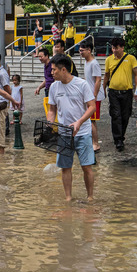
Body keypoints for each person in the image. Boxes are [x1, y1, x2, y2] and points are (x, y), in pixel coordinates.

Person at [46, 54, 97, 201]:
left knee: (86, 166)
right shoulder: (54, 87)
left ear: (63, 70)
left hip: (83, 132)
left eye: (54, 69)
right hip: (63, 133)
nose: (51, 72)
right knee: (65, 167)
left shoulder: (82, 84)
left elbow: (92, 107)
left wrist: (79, 122)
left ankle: (90, 197)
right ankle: (68, 198)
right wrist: (50, 122)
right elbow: (52, 110)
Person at [103, 37, 137, 152]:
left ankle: (121, 136)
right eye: (113, 48)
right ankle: (118, 140)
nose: (114, 50)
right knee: (116, 115)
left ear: (122, 48)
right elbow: (107, 75)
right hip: (113, 92)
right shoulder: (109, 60)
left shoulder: (131, 58)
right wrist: (103, 88)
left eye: (117, 48)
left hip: (127, 92)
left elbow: (136, 74)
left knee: (125, 115)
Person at [79, 40, 104, 154]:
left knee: (93, 120)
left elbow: (98, 80)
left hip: (94, 96)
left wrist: (94, 95)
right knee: (89, 120)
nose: (80, 53)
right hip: (89, 95)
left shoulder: (94, 63)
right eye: (79, 50)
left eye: (82, 50)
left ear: (89, 50)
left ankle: (96, 144)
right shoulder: (86, 62)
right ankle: (91, 142)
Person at [33, 46, 54, 114]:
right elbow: (47, 79)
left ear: (47, 56)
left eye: (41, 56)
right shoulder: (45, 65)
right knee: (49, 109)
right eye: (39, 56)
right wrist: (39, 87)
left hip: (53, 90)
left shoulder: (52, 65)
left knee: (53, 109)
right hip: (47, 90)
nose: (39, 58)